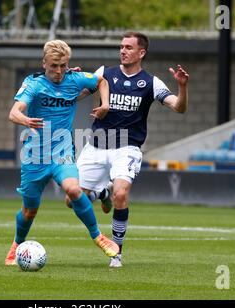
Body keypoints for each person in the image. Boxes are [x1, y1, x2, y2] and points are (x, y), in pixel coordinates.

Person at [74, 31, 189, 267]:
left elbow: (178, 107)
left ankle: (116, 252)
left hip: (127, 147)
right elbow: (79, 95)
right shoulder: (104, 73)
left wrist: (182, 87)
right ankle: (102, 194)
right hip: (96, 146)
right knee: (73, 199)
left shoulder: (151, 82)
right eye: (121, 46)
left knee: (121, 194)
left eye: (128, 47)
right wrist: (70, 82)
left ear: (141, 52)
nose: (122, 51)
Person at [5, 39, 119, 266]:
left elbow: (102, 81)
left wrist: (105, 104)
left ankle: (98, 236)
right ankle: (17, 244)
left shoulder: (75, 79)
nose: (58, 71)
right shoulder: (34, 84)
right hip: (34, 156)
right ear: (44, 62)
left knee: (73, 189)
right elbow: (14, 112)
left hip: (62, 150)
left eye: (63, 65)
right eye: (54, 66)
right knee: (29, 212)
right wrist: (25, 120)